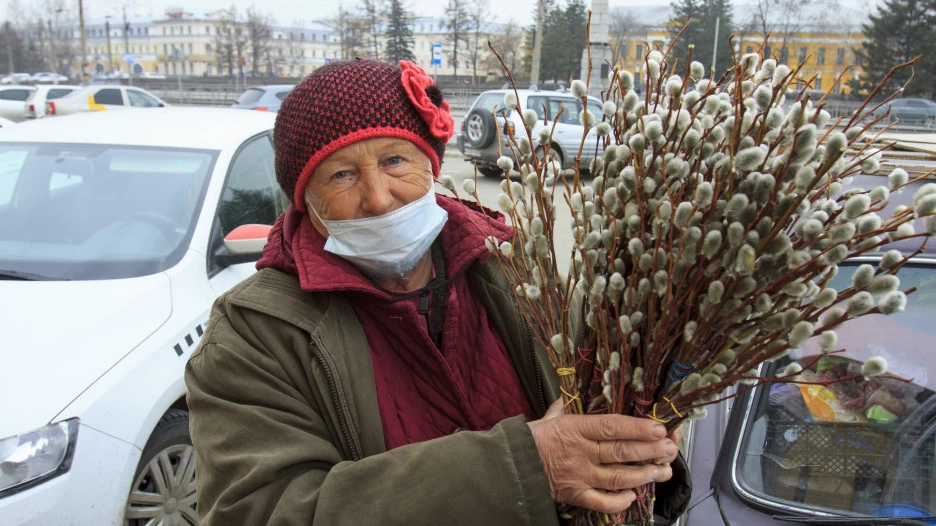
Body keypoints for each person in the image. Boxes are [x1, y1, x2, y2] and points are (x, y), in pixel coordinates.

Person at [185, 59, 691, 525]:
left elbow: (598, 388)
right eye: (342, 174)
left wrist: (639, 450)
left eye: (395, 160)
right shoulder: (253, 336)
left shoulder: (516, 271)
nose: (379, 198)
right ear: (304, 200)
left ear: (431, 164)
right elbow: (258, 511)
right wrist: (528, 469)